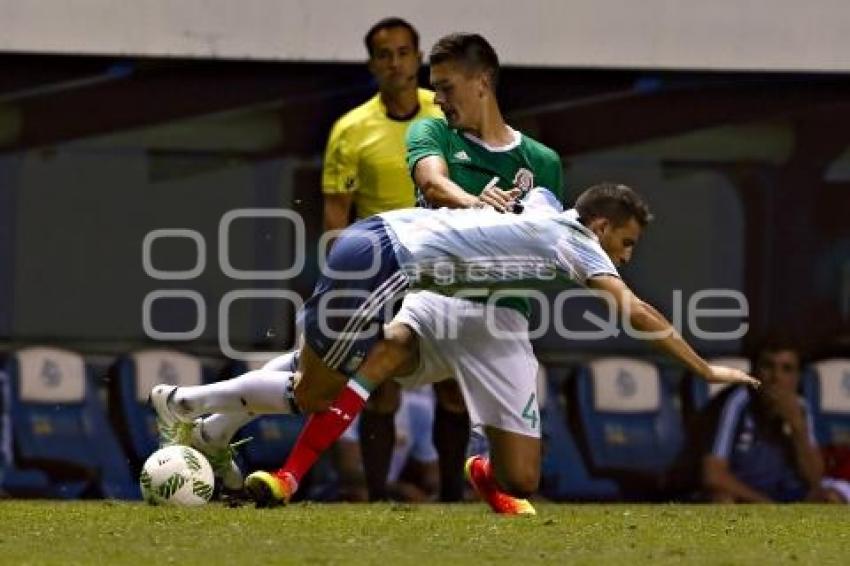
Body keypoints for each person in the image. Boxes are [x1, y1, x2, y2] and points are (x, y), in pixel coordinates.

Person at [150, 183, 759, 513]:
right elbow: (637, 311)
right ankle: (182, 406)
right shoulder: (579, 245)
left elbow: (529, 194)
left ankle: (204, 423)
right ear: (600, 227)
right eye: (624, 244)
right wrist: (703, 366)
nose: (623, 258)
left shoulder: (548, 204)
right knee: (316, 390)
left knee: (319, 370)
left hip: (373, 237)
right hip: (389, 262)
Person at [318, 16, 447, 502]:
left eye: (403, 52)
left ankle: (453, 499)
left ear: (419, 58)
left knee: (451, 384)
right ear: (372, 64)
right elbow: (337, 217)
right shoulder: (351, 130)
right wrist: (341, 284)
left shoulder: (446, 113)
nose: (395, 62)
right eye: (384, 54)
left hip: (445, 264)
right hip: (382, 271)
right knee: (383, 382)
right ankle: (374, 495)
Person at [701, 342, 849, 503]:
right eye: (768, 366)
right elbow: (713, 474)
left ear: (797, 377)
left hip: (788, 494)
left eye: (786, 369)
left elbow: (815, 479)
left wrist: (798, 427)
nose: (776, 377)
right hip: (746, 495)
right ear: (754, 372)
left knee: (831, 498)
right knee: (721, 499)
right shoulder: (737, 400)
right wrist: (765, 503)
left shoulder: (801, 408)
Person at [336, 387, 439, 502]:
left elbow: (432, 473)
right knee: (361, 494)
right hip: (342, 489)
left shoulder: (418, 409)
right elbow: (349, 470)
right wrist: (398, 489)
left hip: (392, 492)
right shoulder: (348, 404)